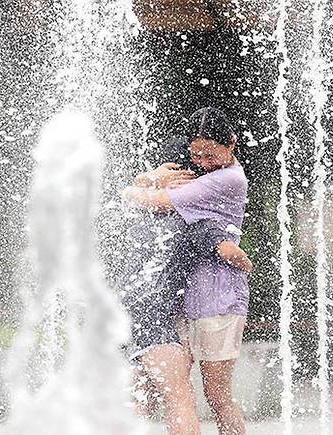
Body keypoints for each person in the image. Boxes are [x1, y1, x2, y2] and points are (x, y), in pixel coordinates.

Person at [113, 134, 251, 435]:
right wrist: (246, 267)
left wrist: (146, 180)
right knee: (180, 398)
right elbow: (230, 252)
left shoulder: (139, 216)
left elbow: (137, 196)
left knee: (141, 396)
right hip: (156, 316)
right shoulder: (193, 221)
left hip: (124, 313)